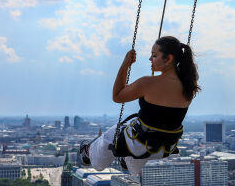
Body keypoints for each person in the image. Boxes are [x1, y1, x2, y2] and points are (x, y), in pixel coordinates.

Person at [79, 36, 200, 175]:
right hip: (166, 147)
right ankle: (128, 161)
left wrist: (125, 65)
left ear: (169, 58)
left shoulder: (147, 83)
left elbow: (117, 96)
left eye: (154, 55)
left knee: (113, 134)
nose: (150, 59)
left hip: (141, 144)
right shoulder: (189, 87)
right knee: (148, 130)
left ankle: (89, 154)